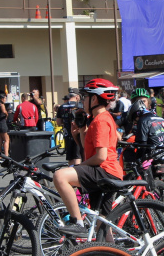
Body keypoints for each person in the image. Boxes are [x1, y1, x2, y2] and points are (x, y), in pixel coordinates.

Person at [53, 78, 124, 237]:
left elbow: (100, 157)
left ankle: (77, 222)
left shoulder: (101, 121)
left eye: (85, 97)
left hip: (104, 170)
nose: (83, 101)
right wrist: (81, 131)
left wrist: (79, 166)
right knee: (102, 227)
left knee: (60, 176)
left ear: (94, 99)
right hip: (110, 172)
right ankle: (109, 253)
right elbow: (88, 150)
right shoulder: (100, 119)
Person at [56, 93, 82, 166]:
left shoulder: (62, 107)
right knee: (77, 156)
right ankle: (76, 172)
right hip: (78, 133)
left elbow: (58, 122)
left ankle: (70, 170)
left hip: (67, 134)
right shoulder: (80, 105)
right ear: (77, 96)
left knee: (70, 158)